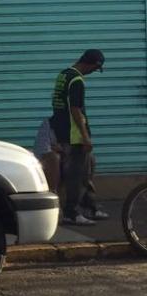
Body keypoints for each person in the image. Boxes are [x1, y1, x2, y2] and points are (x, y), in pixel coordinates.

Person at [50, 49, 106, 225]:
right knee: (77, 174)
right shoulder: (77, 80)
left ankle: (90, 206)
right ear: (90, 64)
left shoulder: (63, 75)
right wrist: (84, 136)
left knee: (87, 166)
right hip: (74, 135)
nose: (93, 72)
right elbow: (75, 109)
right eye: (95, 69)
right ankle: (71, 213)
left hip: (62, 131)